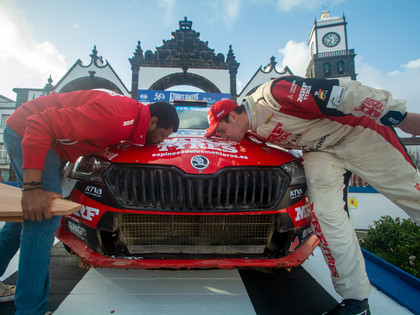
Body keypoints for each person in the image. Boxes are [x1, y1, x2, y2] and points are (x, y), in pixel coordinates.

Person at [205, 75, 420, 315]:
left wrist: (398, 115)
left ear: (234, 114)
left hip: (360, 133)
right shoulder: (250, 131)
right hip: (320, 151)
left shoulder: (275, 93)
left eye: (221, 130)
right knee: (325, 215)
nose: (221, 136)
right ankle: (357, 302)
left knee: (413, 197)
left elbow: (339, 93)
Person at [0, 89, 179, 315]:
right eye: (163, 135)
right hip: (29, 135)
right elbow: (39, 123)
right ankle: (30, 310)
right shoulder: (116, 120)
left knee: (25, 217)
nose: (161, 141)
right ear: (152, 121)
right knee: (42, 219)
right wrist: (33, 188)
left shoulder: (129, 120)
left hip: (49, 145)